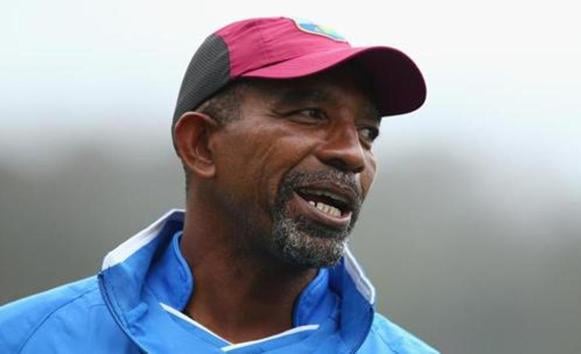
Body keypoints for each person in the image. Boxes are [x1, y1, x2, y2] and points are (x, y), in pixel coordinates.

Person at [0, 17, 438, 353]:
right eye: (310, 114)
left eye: (367, 132)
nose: (353, 154)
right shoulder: (24, 339)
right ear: (201, 144)